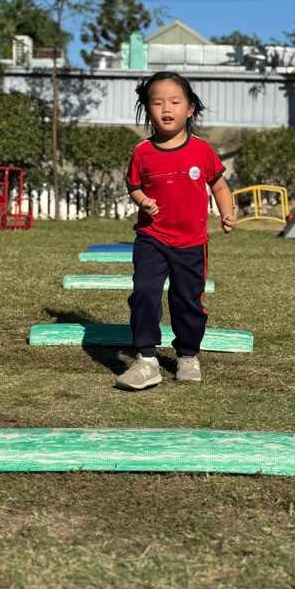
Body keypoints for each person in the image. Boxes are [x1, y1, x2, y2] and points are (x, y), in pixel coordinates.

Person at [115, 71, 235, 390]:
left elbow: (219, 186)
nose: (166, 109)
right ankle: (146, 360)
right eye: (157, 103)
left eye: (174, 102)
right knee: (144, 292)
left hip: (191, 243)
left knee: (188, 300)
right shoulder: (143, 152)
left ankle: (187, 354)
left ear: (190, 108)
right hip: (152, 238)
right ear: (148, 109)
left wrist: (227, 213)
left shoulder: (202, 151)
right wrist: (143, 200)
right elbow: (133, 186)